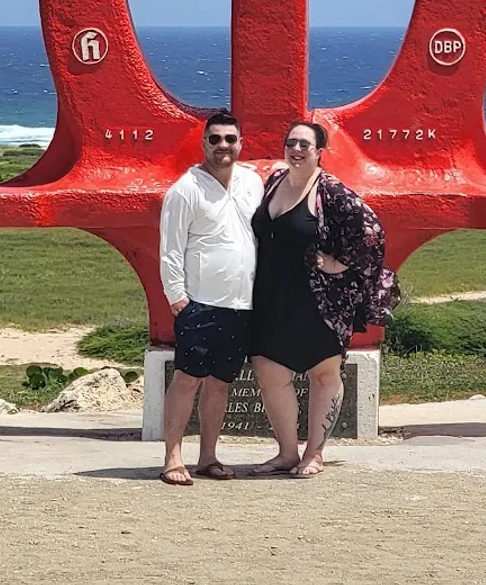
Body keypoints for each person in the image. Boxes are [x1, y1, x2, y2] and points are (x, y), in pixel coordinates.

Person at [250, 120, 400, 478]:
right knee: (270, 372)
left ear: (320, 152)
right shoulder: (273, 183)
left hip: (319, 301)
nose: (297, 150)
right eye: (291, 143)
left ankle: (314, 454)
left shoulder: (331, 192)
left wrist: (339, 263)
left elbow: (372, 233)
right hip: (271, 296)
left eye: (305, 144)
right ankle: (287, 452)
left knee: (324, 373)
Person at [158, 110, 263, 485]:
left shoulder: (253, 183)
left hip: (241, 304)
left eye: (230, 139)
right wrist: (178, 300)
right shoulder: (185, 190)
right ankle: (173, 457)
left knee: (221, 382)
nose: (223, 146)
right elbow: (171, 249)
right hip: (199, 304)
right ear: (204, 143)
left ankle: (208, 457)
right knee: (187, 379)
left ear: (240, 143)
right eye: (215, 139)